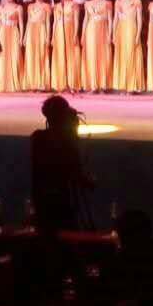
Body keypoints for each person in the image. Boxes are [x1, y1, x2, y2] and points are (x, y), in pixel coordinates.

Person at [30, 96, 92, 235]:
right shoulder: (65, 141)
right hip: (62, 204)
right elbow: (75, 171)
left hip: (43, 204)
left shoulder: (37, 138)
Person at [111, 0, 144, 94]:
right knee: (121, 56)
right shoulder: (118, 2)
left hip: (131, 29)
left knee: (131, 55)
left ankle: (132, 86)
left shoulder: (136, 1)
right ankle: (123, 85)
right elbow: (115, 19)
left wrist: (138, 35)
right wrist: (113, 34)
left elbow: (139, 19)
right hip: (120, 30)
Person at [81, 0, 113, 92]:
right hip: (90, 31)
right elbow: (86, 19)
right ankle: (92, 84)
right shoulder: (87, 3)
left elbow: (110, 20)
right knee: (91, 55)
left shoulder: (107, 3)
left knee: (103, 55)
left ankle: (103, 84)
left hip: (103, 30)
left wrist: (109, 34)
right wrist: (83, 34)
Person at [50, 0, 82, 92]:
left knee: (71, 55)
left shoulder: (74, 5)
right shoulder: (57, 6)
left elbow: (76, 21)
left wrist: (75, 35)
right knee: (60, 56)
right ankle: (61, 83)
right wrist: (53, 37)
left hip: (70, 30)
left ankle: (72, 83)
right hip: (59, 32)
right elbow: (54, 22)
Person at [0, 0, 23, 93]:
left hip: (13, 32)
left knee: (14, 56)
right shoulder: (1, 7)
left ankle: (13, 83)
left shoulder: (18, 7)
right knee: (2, 57)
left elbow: (21, 23)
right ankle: (1, 83)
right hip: (2, 33)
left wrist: (21, 37)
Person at [23, 0, 52, 91]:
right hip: (31, 31)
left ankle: (42, 83)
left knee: (41, 55)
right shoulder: (30, 6)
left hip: (41, 30)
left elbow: (48, 22)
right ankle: (31, 83)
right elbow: (28, 22)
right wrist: (25, 36)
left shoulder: (46, 6)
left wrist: (47, 36)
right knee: (31, 56)